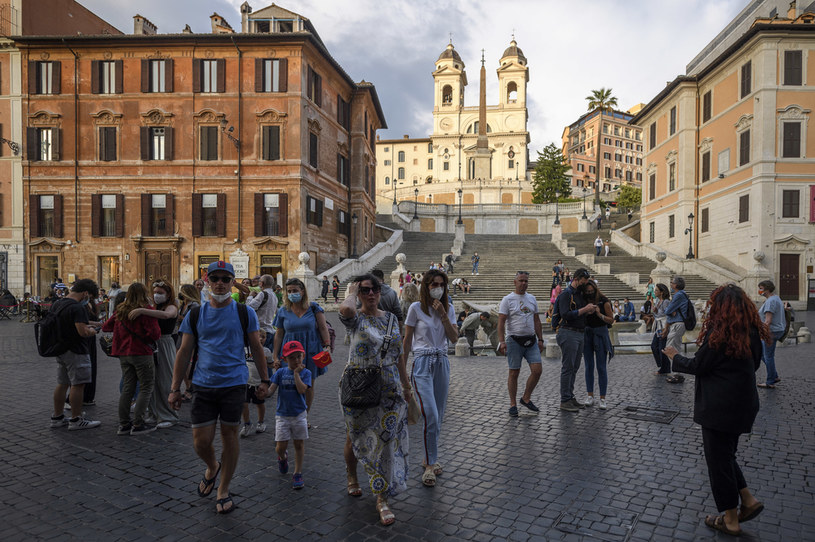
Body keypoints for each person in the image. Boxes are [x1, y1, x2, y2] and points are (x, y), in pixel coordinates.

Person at [663, 284, 768, 537]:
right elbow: (754, 364)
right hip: (744, 403)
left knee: (718, 462)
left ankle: (730, 519)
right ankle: (748, 500)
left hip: (719, 407)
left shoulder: (719, 334)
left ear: (719, 308)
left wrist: (674, 356)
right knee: (726, 456)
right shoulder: (752, 331)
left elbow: (699, 365)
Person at [169, 261, 268, 514]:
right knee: (200, 442)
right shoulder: (195, 313)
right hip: (203, 384)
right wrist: (174, 387)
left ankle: (223, 488)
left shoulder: (245, 313)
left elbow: (256, 348)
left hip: (234, 383)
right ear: (207, 281)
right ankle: (213, 466)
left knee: (230, 436)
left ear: (233, 282)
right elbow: (184, 352)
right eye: (216, 278)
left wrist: (265, 381)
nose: (221, 283)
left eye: (226, 279)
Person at [338, 274, 409, 526]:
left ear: (381, 292)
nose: (370, 294)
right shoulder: (355, 319)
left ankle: (381, 497)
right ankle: (352, 475)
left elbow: (399, 354)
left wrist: (406, 384)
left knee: (386, 442)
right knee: (354, 437)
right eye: (365, 290)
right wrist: (352, 291)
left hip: (389, 388)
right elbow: (345, 308)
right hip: (359, 386)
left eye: (374, 290)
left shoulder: (390, 319)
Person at [403, 270, 458, 487]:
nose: (438, 287)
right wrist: (402, 374)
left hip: (442, 363)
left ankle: (430, 458)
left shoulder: (450, 309)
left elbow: (454, 338)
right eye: (434, 284)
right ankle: (429, 465)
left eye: (442, 284)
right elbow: (407, 341)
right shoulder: (415, 309)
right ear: (425, 286)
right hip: (422, 364)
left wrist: (444, 315)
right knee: (431, 414)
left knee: (439, 415)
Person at [102, 282, 161, 434]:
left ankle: (123, 424)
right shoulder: (145, 311)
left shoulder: (121, 310)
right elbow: (155, 334)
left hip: (123, 353)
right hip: (141, 352)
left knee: (128, 387)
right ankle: (138, 423)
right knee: (146, 386)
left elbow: (106, 326)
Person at [49, 279, 103, 431]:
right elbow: (83, 331)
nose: (89, 300)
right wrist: (94, 330)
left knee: (62, 383)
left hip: (60, 348)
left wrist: (93, 324)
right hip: (76, 349)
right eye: (90, 296)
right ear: (85, 293)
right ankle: (76, 419)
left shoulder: (58, 304)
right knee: (78, 384)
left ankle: (57, 417)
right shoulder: (76, 307)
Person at [272, 278, 331, 414]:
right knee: (289, 382)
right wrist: (275, 356)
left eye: (295, 291)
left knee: (308, 384)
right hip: (289, 352)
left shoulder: (314, 307)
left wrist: (327, 346)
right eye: (289, 291)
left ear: (302, 291)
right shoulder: (283, 311)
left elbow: (323, 328)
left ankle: (304, 416)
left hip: (310, 350)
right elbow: (279, 334)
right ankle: (291, 413)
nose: (292, 293)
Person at [127, 280, 180, 429]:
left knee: (164, 380)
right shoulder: (153, 306)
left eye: (160, 293)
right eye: (155, 292)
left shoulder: (172, 306)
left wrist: (143, 311)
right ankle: (154, 413)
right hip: (151, 344)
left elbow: (166, 316)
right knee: (151, 381)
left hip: (164, 343)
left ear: (168, 294)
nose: (157, 295)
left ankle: (168, 415)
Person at [265, 339, 311, 489]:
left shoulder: (306, 373)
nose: (296, 360)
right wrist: (264, 393)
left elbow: (302, 390)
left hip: (299, 414)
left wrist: (297, 374)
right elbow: (271, 390)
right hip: (282, 415)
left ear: (303, 356)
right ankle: (282, 457)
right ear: (285, 359)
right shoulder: (280, 373)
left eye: (298, 356)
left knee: (299, 444)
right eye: (292, 357)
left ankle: (297, 473)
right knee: (280, 446)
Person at [498, 271, 544, 417]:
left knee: (537, 370)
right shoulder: (508, 299)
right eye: (521, 280)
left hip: (531, 340)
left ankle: (526, 398)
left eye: (526, 281)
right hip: (514, 340)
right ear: (515, 282)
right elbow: (501, 322)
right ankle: (513, 404)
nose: (524, 283)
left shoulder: (532, 298)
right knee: (514, 372)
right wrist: (501, 341)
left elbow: (536, 320)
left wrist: (541, 338)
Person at [554, 268, 596, 412]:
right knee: (568, 367)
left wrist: (588, 310)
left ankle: (570, 397)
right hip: (568, 332)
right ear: (577, 279)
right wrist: (584, 310)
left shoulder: (579, 294)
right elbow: (565, 314)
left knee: (574, 367)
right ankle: (564, 400)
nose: (586, 283)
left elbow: (579, 312)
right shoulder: (566, 294)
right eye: (584, 281)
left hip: (579, 333)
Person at [582, 281, 614, 409]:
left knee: (601, 367)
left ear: (595, 290)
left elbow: (611, 320)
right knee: (588, 366)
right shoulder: (583, 300)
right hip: (587, 333)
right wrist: (585, 312)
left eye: (591, 291)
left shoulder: (603, 300)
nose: (589, 293)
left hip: (600, 333)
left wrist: (599, 314)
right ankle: (590, 395)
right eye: (587, 291)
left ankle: (602, 398)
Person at [240, 330, 273, 437]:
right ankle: (247, 424)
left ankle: (261, 422)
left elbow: (270, 364)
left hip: (259, 383)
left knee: (259, 404)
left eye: (263, 337)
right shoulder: (245, 350)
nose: (261, 339)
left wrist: (276, 364)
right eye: (258, 336)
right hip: (246, 382)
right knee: (243, 404)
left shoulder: (266, 351)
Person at [757, 280, 785, 388]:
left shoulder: (770, 302)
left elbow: (768, 321)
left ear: (767, 289)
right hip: (777, 330)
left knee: (767, 356)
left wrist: (762, 334)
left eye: (761, 289)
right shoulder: (775, 298)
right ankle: (774, 376)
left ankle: (770, 381)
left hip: (771, 331)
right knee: (764, 354)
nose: (759, 291)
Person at [662, 276, 690, 384]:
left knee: (670, 348)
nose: (670, 284)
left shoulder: (678, 295)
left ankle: (678, 374)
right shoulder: (682, 294)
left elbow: (667, 310)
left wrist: (671, 310)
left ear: (676, 285)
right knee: (676, 348)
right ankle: (678, 373)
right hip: (678, 324)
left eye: (672, 282)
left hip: (677, 324)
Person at [247, 274, 278, 349]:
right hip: (270, 330)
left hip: (260, 332)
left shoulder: (262, 294)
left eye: (259, 281)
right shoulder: (274, 296)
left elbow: (249, 307)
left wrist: (250, 296)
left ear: (262, 283)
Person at [651, 283, 671, 375]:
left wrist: (666, 328)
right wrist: (654, 311)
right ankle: (662, 366)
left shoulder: (666, 302)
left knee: (661, 347)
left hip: (663, 326)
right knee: (654, 346)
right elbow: (657, 315)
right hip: (658, 326)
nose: (654, 292)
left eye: (656, 290)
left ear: (662, 292)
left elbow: (667, 315)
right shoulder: (657, 301)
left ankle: (664, 368)